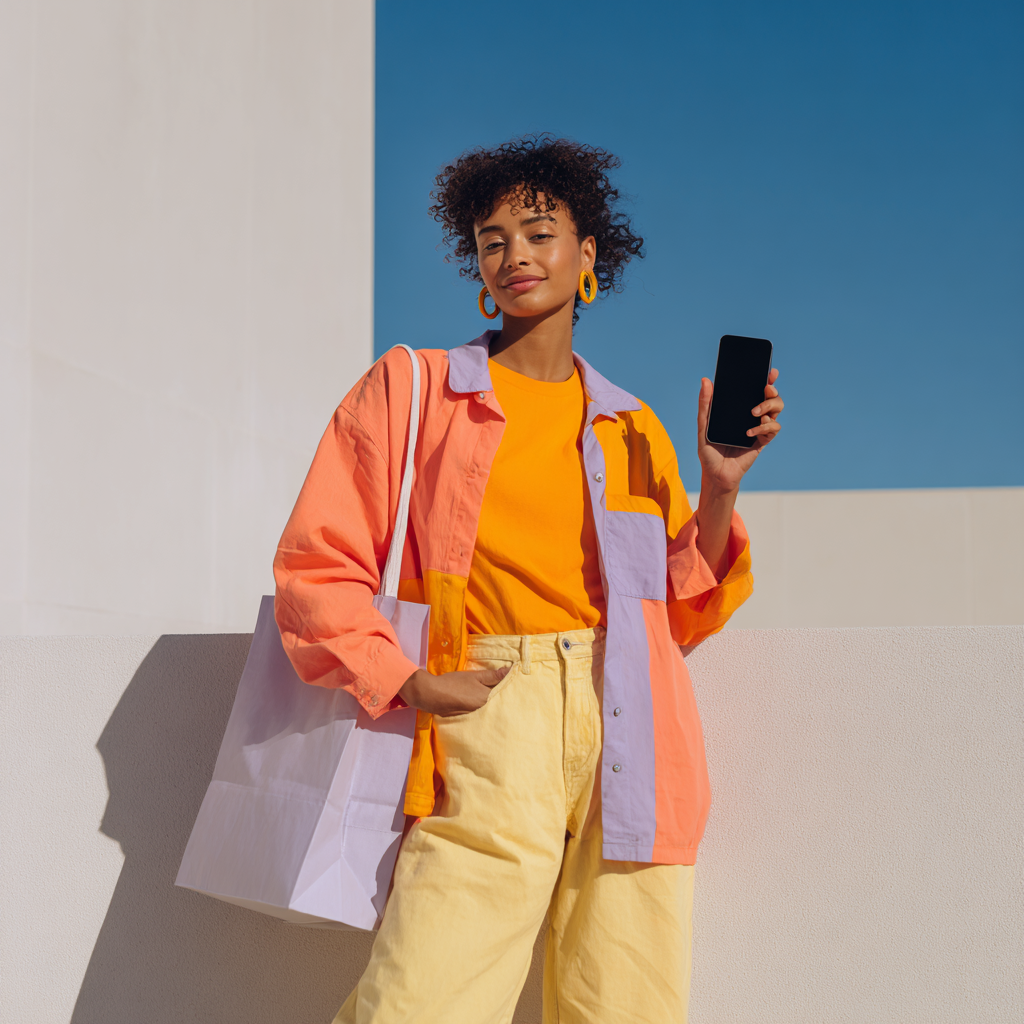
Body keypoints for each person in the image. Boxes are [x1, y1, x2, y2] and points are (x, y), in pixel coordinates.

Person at [274, 135, 783, 1024]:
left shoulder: (632, 427)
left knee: (624, 1005)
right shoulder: (413, 390)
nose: (514, 256)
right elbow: (319, 563)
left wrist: (718, 486)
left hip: (632, 719)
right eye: (492, 238)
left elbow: (684, 611)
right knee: (418, 1000)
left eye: (540, 233)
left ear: (588, 256)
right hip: (485, 709)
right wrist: (409, 680)